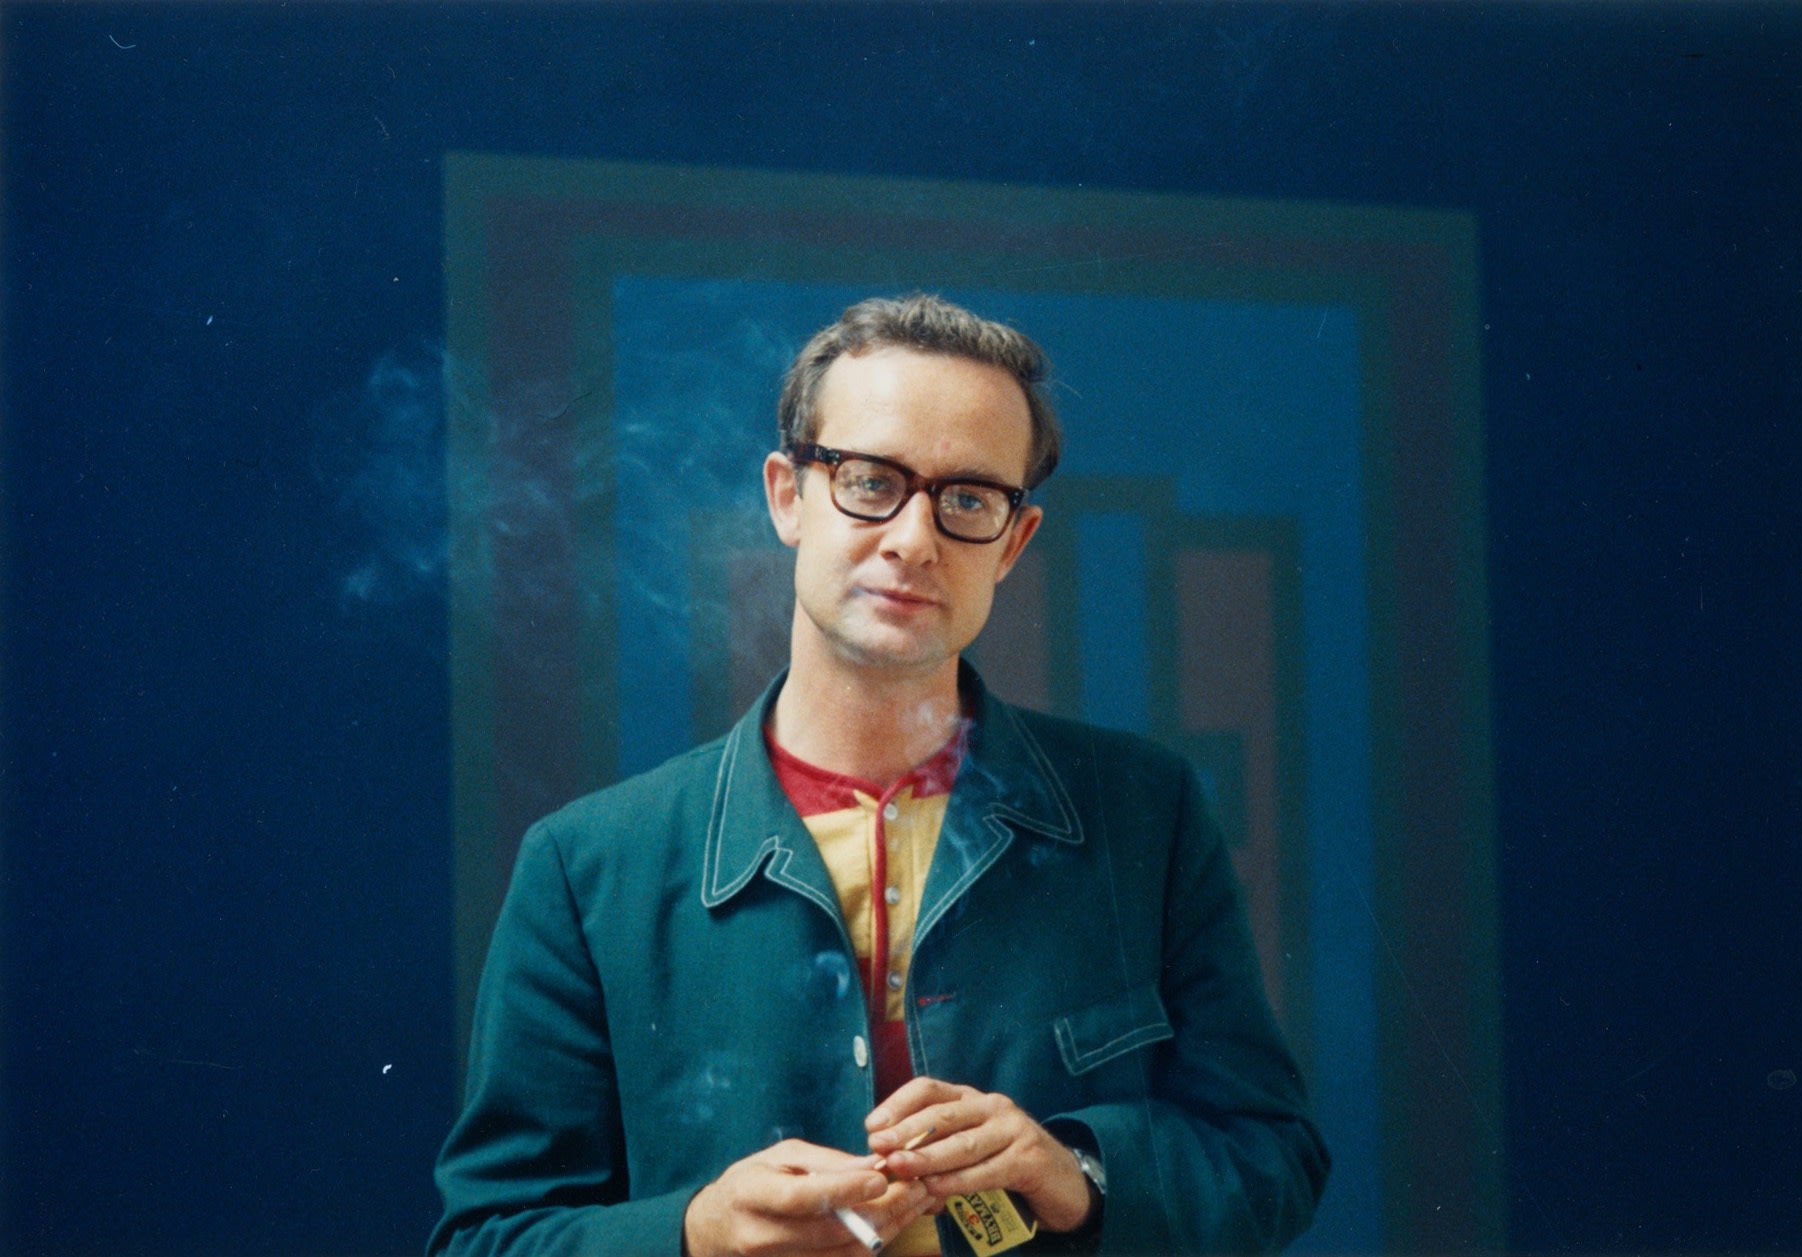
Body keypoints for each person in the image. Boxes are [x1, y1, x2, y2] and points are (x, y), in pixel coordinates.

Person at [429, 293, 1329, 1256]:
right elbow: (488, 1236)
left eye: (968, 499)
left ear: (1014, 543)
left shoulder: (1147, 816)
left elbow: (1271, 1160)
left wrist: (1074, 1174)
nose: (913, 538)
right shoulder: (587, 866)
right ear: (787, 495)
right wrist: (696, 1234)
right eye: (869, 480)